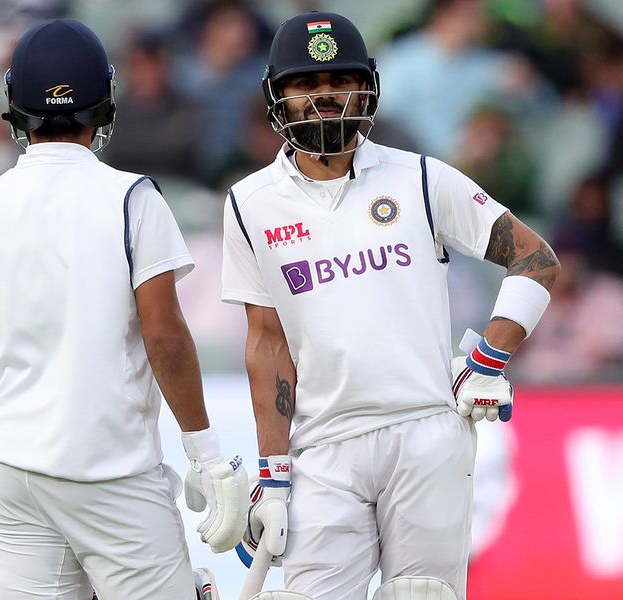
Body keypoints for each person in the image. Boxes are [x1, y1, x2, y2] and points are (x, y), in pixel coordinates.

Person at [0, 19, 248, 600]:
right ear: (103, 104)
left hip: (13, 475)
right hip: (113, 474)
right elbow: (166, 338)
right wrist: (205, 454)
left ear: (15, 106)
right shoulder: (135, 199)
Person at [222, 12, 559, 600]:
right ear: (278, 96)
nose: (325, 96)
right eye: (306, 84)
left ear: (367, 87)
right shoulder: (249, 204)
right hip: (321, 447)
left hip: (426, 431)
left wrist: (488, 360)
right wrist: (272, 473)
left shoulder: (421, 179)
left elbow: (536, 257)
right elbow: (266, 342)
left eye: (340, 80)